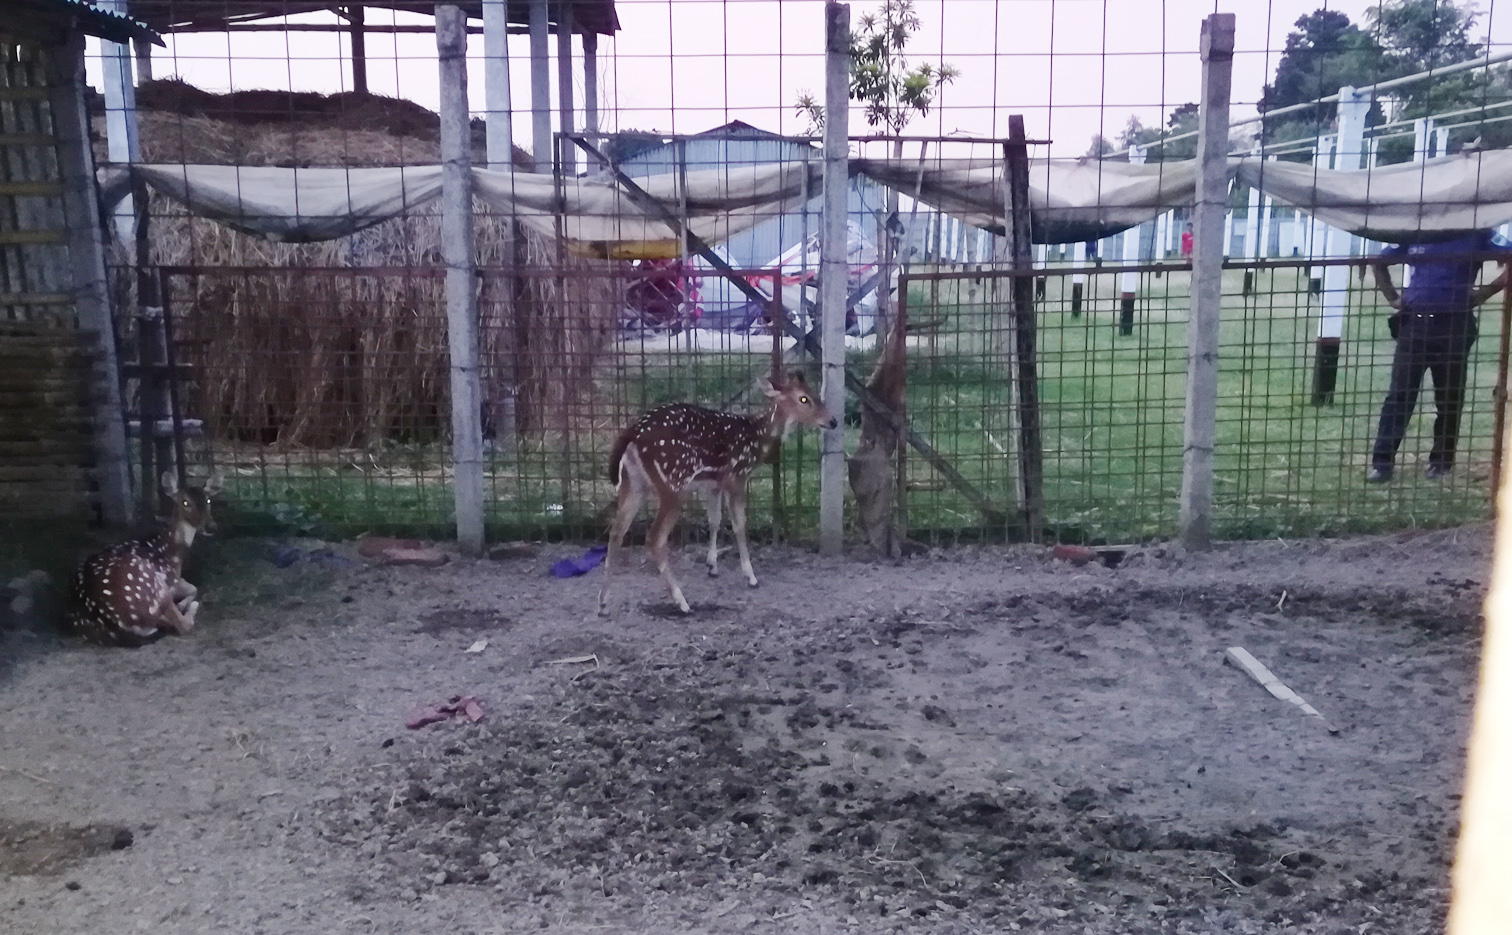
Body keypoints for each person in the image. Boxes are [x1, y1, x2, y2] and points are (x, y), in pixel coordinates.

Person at [1367, 229, 1512, 482]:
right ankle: (1382, 463)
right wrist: (1392, 297)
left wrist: (1482, 294)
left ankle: (1441, 463)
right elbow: (1380, 262)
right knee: (1399, 396)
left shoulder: (1478, 233)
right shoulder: (1419, 232)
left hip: (1454, 326)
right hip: (1414, 324)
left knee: (1449, 398)